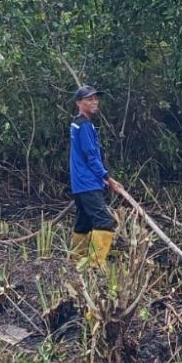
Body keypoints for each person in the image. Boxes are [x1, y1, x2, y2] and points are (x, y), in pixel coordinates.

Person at [69, 85, 118, 268]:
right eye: (89, 99)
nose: (94, 102)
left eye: (95, 98)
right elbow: (91, 156)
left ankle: (75, 261)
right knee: (105, 221)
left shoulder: (76, 124)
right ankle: (95, 266)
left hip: (79, 183)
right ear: (79, 103)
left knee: (84, 222)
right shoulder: (85, 126)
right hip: (88, 182)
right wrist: (108, 178)